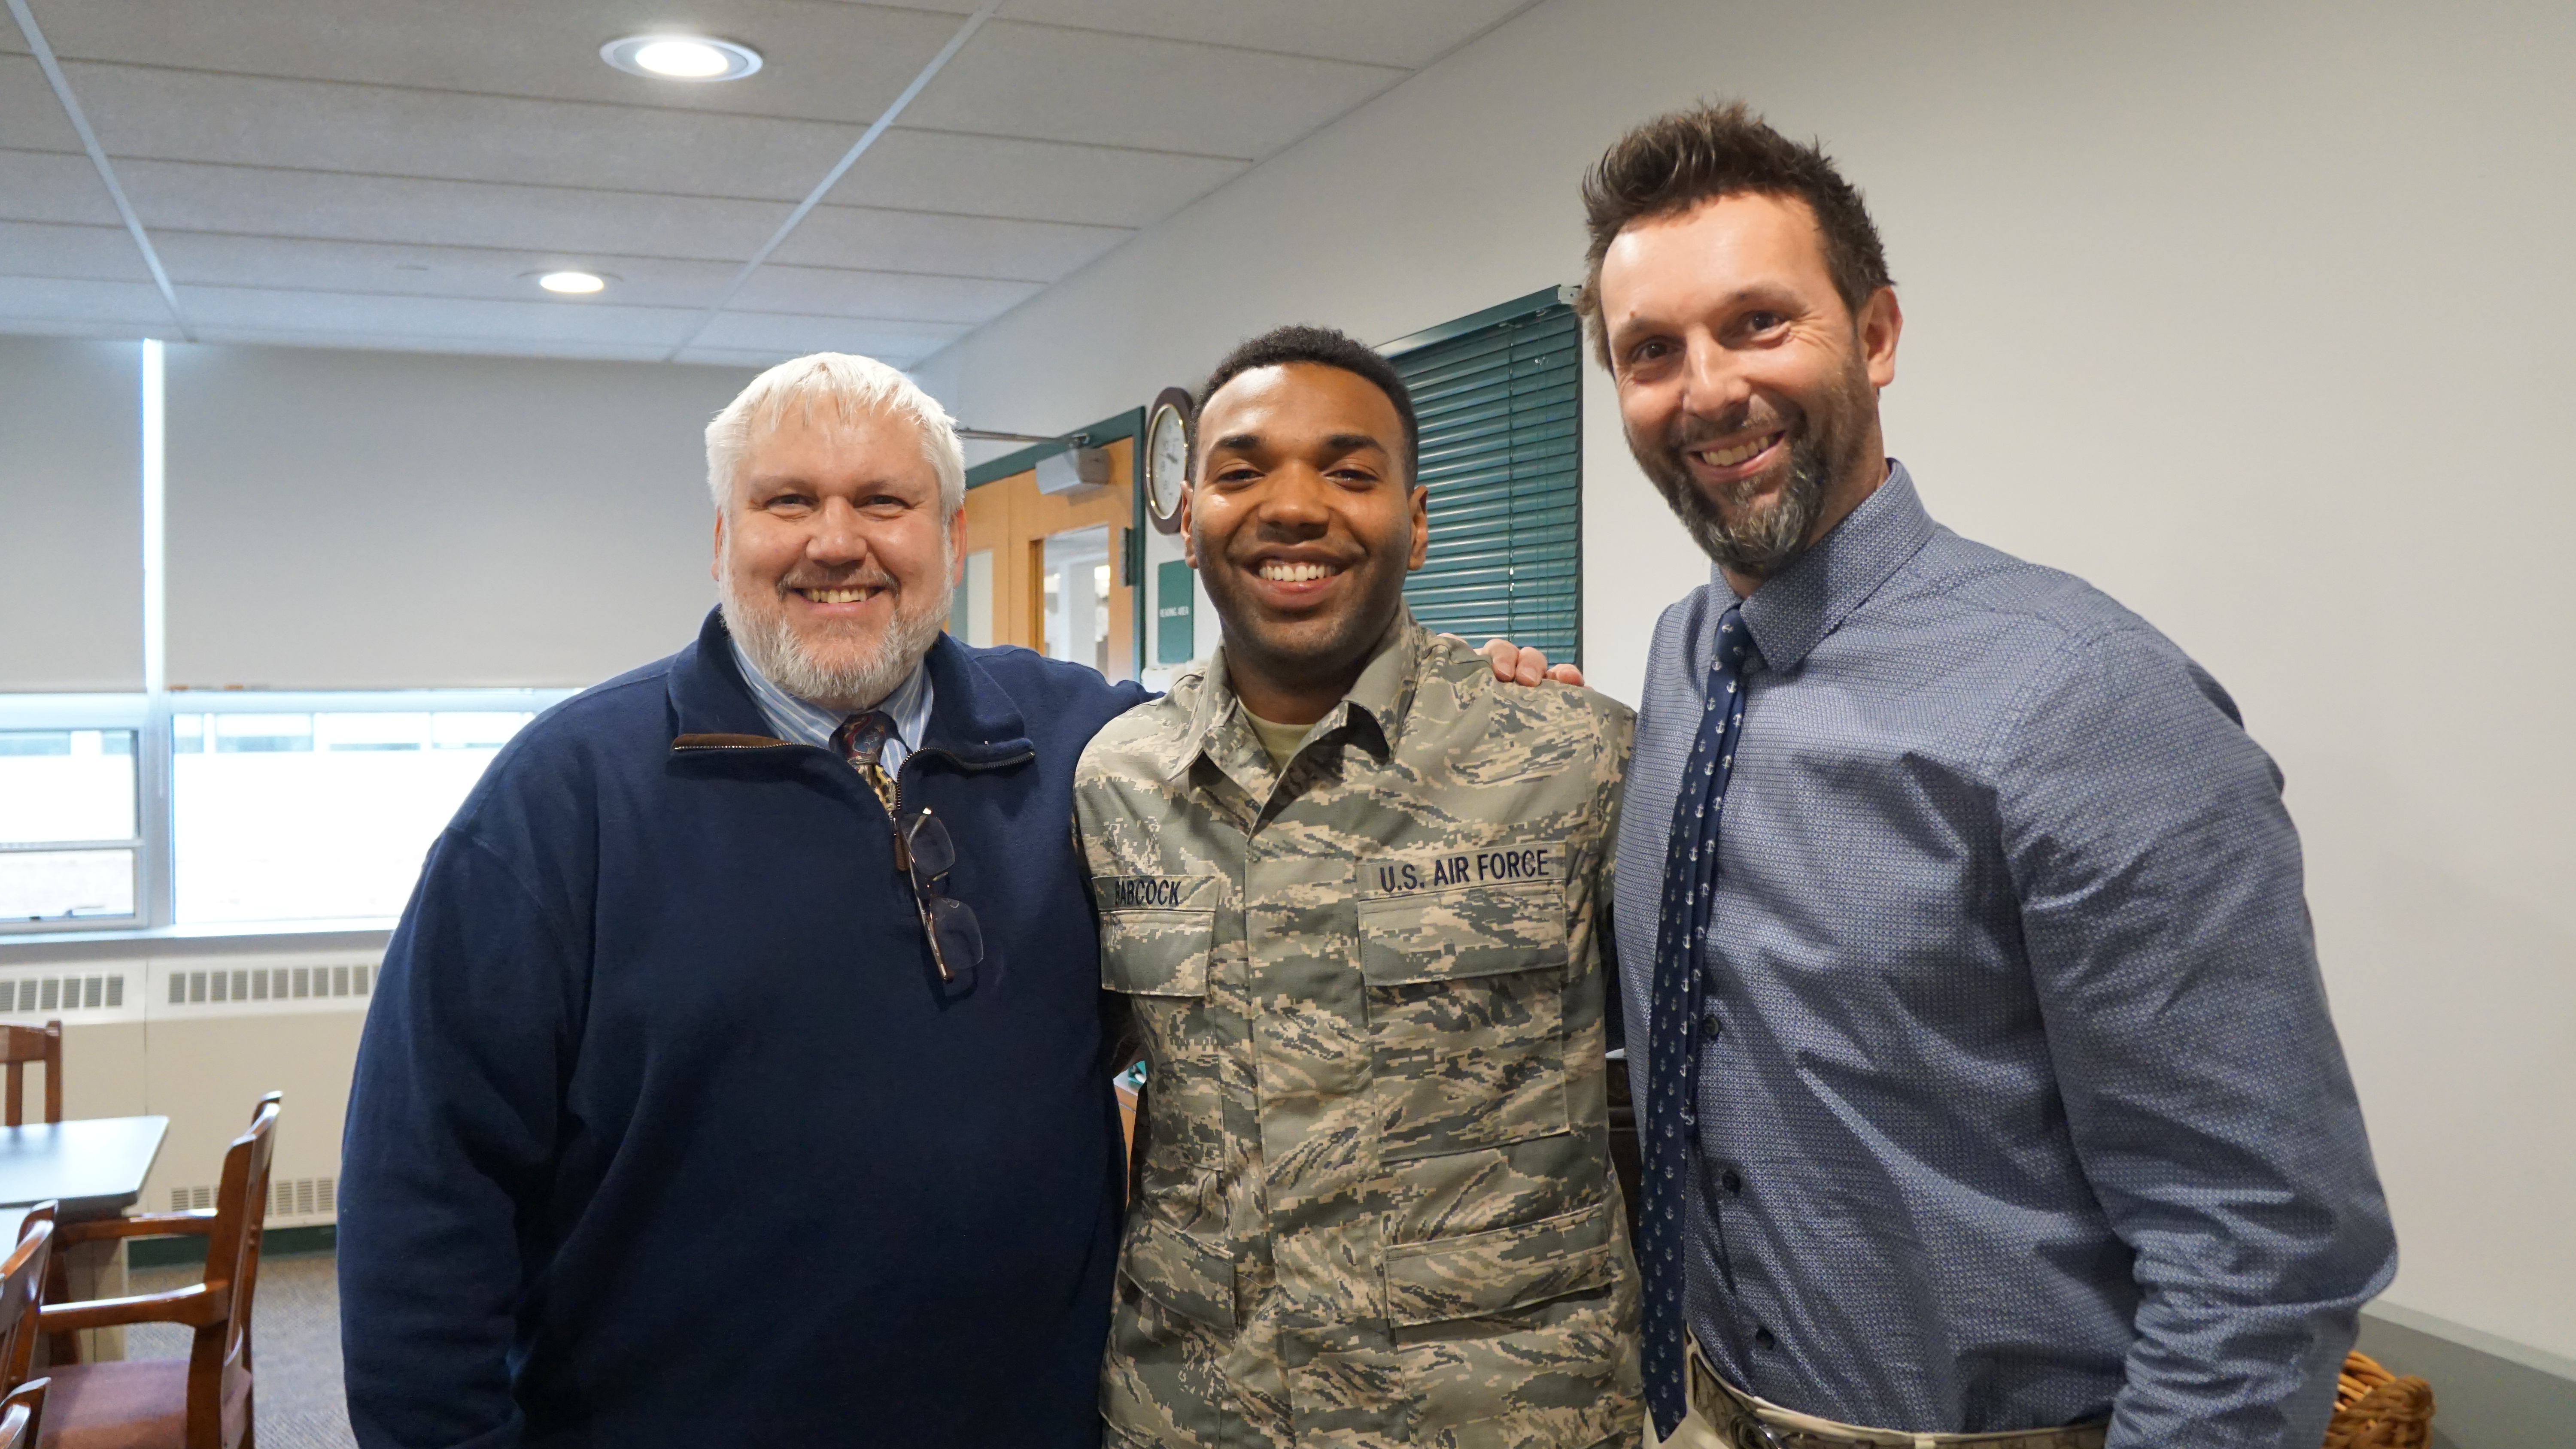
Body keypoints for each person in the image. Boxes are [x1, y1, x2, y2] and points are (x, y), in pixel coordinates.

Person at [339, 351, 1564, 1449]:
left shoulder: (1090, 748)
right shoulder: (563, 802)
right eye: (787, 502)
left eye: (884, 502)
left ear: (951, 535)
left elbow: (1293, 747)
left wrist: (1475, 696)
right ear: (722, 539)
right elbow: (424, 1194)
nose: (837, 542)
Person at [1572, 103, 2397, 1449]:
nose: (1707, 389)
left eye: (1759, 323)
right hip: (1705, 1405)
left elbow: (2260, 1245)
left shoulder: (2089, 702)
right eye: (1650, 351)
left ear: (1877, 335)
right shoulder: (1682, 659)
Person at [1076, 325, 1645, 1449]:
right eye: (1243, 472)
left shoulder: (1576, 757)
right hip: (1202, 1409)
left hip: (1506, 1416)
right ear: (1187, 520)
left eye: (1348, 472)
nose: (1294, 507)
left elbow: (1712, 1080)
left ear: (1417, 522)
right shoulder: (1118, 784)